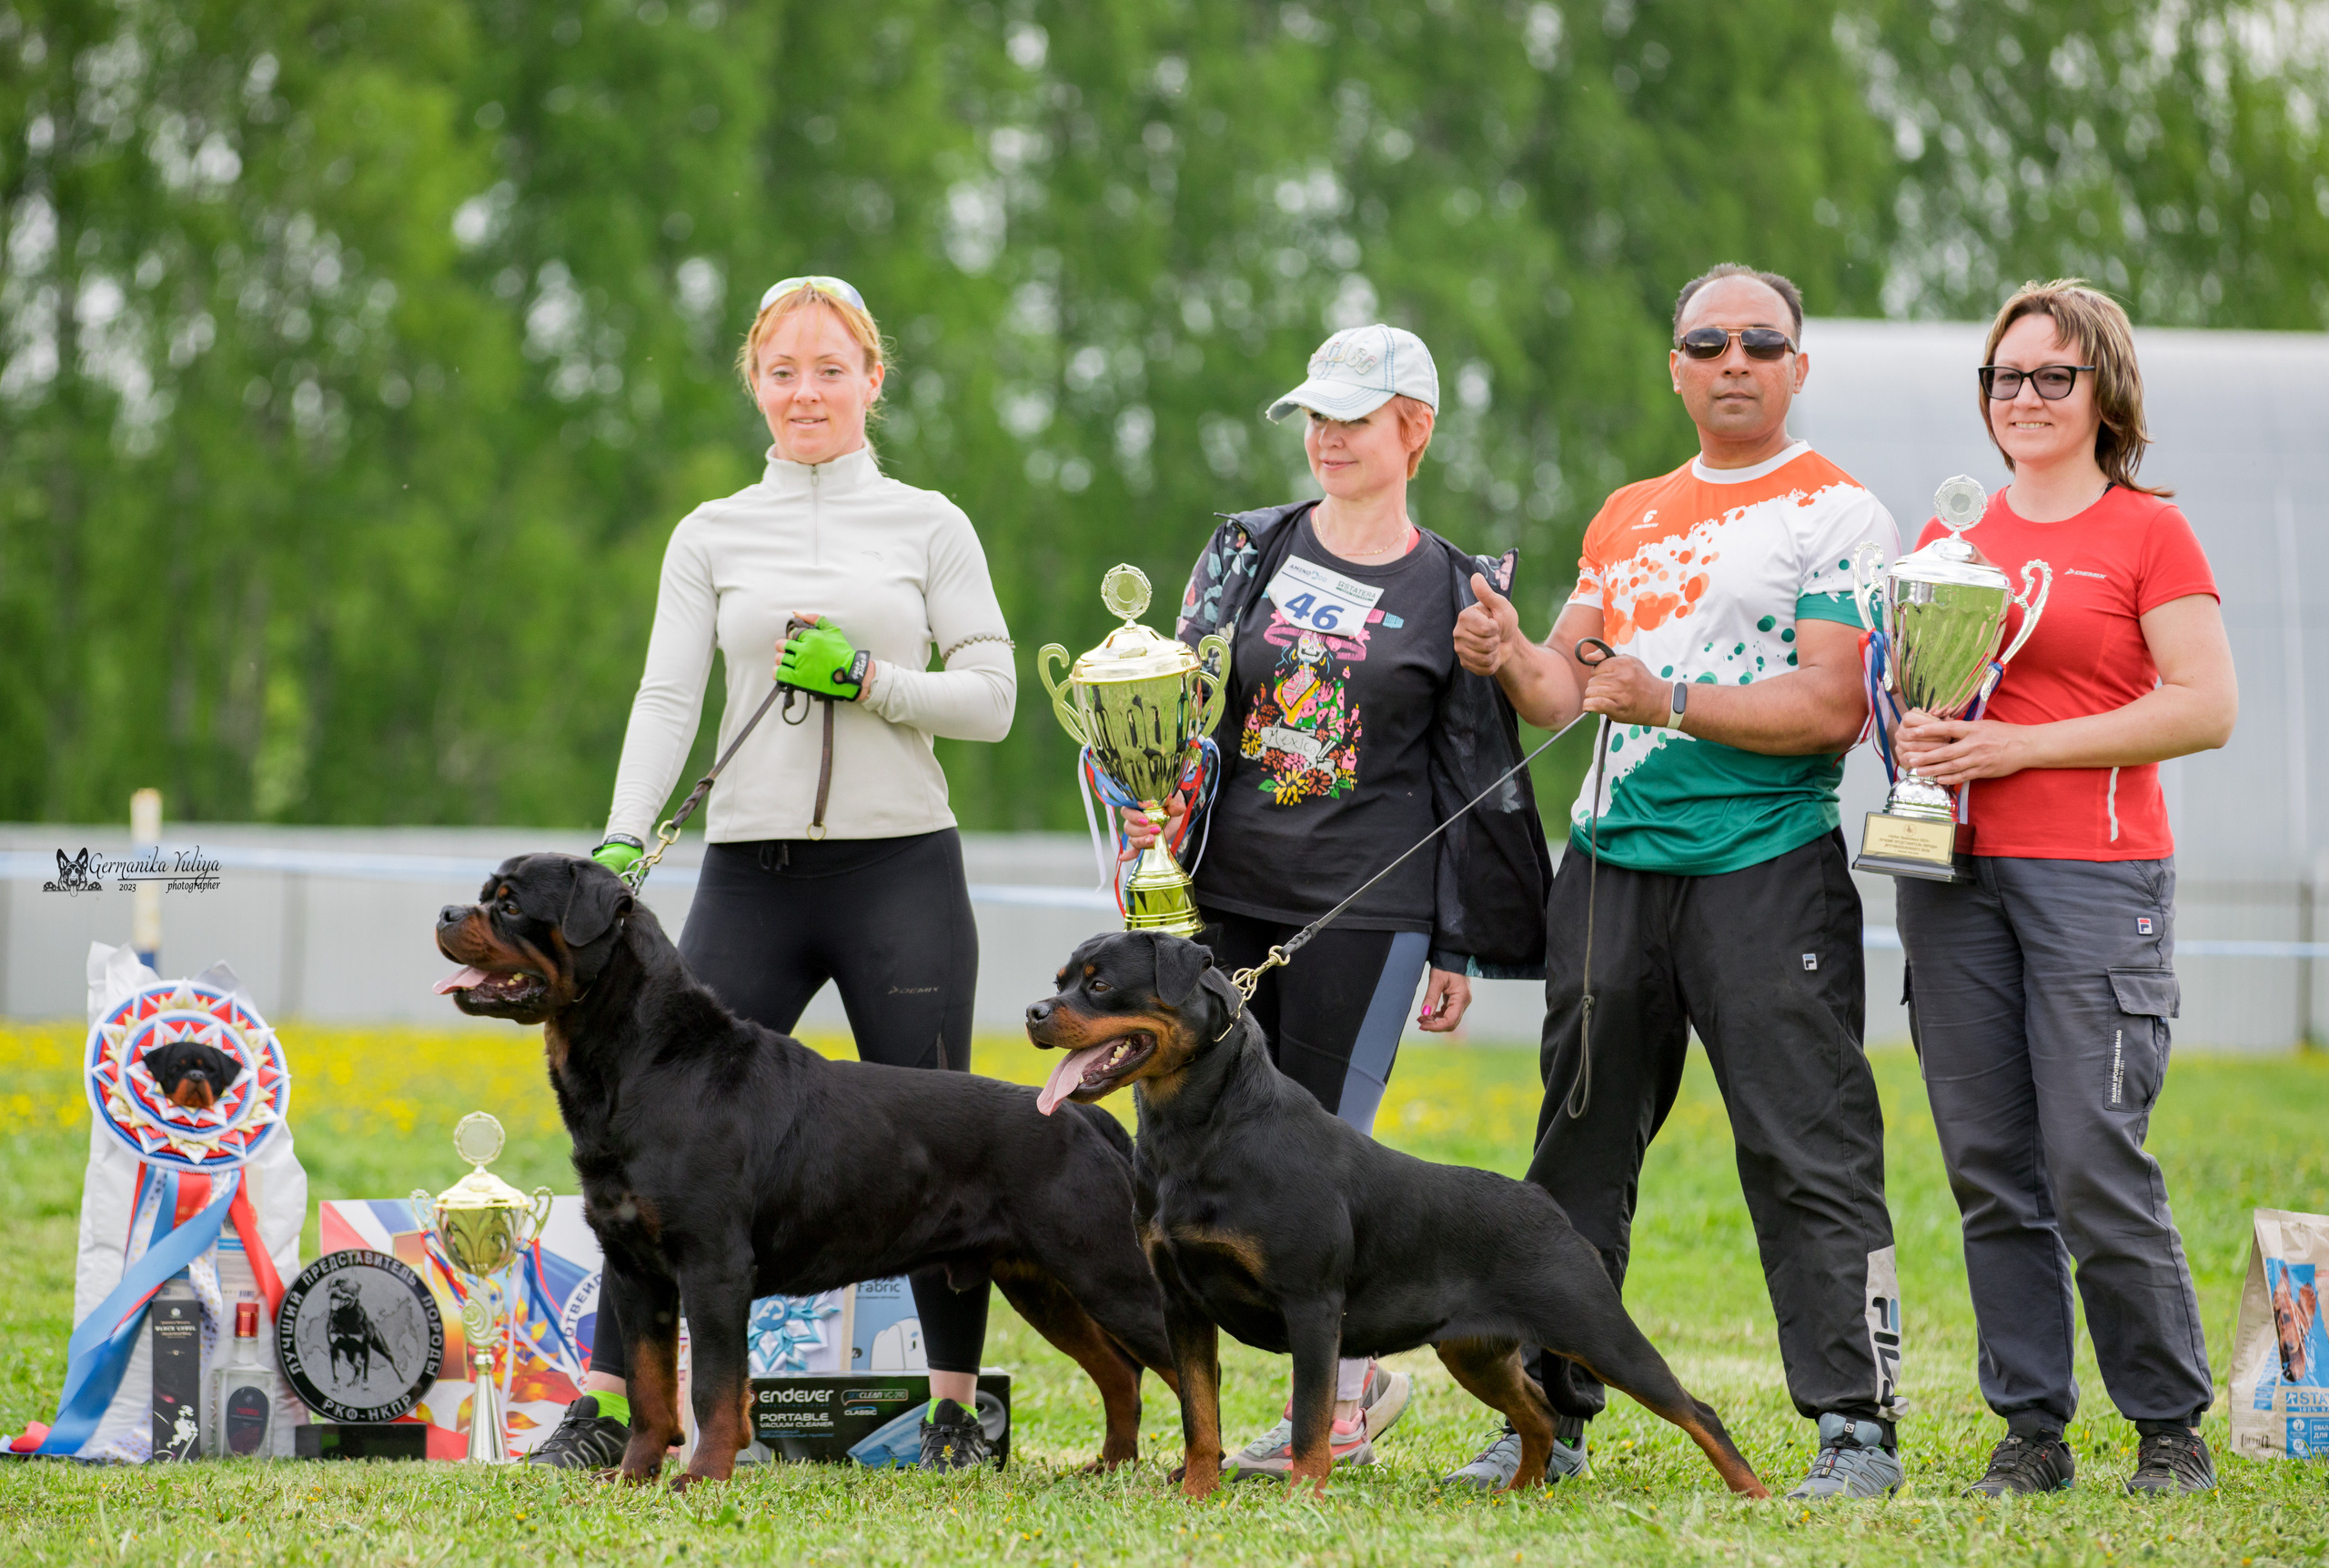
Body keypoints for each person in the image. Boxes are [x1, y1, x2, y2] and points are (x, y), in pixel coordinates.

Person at [527, 276, 1017, 1473]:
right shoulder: (710, 533)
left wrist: (874, 681)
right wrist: (624, 835)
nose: (807, 391)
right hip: (749, 872)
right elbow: (667, 696)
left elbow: (996, 699)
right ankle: (610, 1412)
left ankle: (958, 1410)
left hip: (900, 872)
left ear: (872, 379)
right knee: (656, 1138)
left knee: (939, 1138)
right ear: (756, 381)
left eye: (830, 368)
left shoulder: (929, 523)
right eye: (784, 370)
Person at [1451, 265, 1908, 1499]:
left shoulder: (1839, 513)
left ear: (1797, 365)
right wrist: (1506, 654)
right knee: (1577, 1154)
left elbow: (1829, 707)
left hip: (1766, 869)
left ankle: (1857, 1428)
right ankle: (1547, 1419)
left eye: (1763, 341)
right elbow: (1565, 689)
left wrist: (1673, 700)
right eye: (1708, 342)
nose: (1735, 361)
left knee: (1807, 1149)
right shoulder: (1630, 512)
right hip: (1608, 871)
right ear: (1677, 367)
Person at [1128, 322, 1554, 1481]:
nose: (1326, 438)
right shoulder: (1245, 549)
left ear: (1412, 430)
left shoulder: (1457, 587)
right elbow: (1173, 706)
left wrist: (1460, 939)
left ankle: (1345, 1403)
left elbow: (1469, 768)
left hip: (1370, 907)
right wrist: (1146, 826)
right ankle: (1237, 1396)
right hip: (1220, 891)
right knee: (1191, 1138)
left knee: (1321, 1150)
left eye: (1352, 419)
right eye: (1314, 417)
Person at [1890, 279, 2235, 1497]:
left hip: (2095, 875)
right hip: (1954, 879)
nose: (2024, 398)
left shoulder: (2150, 531)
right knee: (1990, 1166)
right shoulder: (1949, 542)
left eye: (2053, 377)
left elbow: (2205, 704)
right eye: (2004, 377)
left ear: (2104, 392)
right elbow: (1925, 708)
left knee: (2092, 1157)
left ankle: (2167, 1426)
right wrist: (1917, 742)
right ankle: (2031, 1431)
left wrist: (2018, 749)